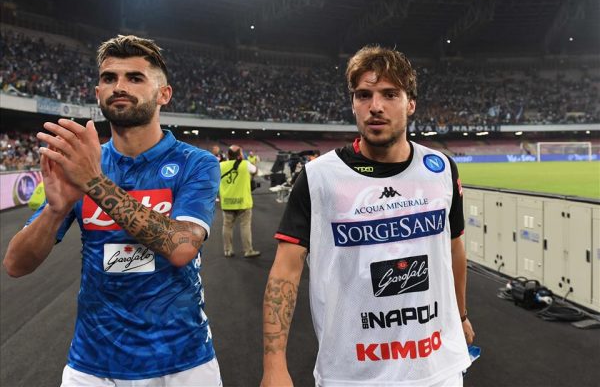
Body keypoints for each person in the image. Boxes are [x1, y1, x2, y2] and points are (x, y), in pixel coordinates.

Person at [3, 35, 223, 386]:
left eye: (135, 78)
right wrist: (55, 211)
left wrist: (95, 183)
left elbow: (182, 246)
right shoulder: (84, 164)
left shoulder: (196, 163)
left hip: (182, 361)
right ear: (97, 93)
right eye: (109, 78)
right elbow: (16, 265)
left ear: (164, 94)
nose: (119, 86)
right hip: (92, 364)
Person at [261, 45, 475, 387]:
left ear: (410, 103)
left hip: (437, 368)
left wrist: (461, 315)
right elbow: (285, 271)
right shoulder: (319, 177)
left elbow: (454, 247)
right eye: (364, 95)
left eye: (390, 94)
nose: (375, 106)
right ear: (353, 103)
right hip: (353, 373)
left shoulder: (441, 169)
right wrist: (274, 366)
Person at [219, 145, 260, 258]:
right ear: (240, 155)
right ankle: (248, 250)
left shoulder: (220, 165)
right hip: (243, 202)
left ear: (228, 155)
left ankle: (228, 250)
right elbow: (256, 171)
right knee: (245, 226)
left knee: (227, 226)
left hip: (227, 202)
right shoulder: (245, 164)